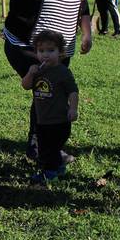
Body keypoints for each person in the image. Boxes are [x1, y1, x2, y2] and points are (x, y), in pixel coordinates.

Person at [3, 0, 90, 163]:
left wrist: (86, 32)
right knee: (46, 92)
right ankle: (43, 147)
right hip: (27, 46)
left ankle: (40, 144)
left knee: (51, 93)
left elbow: (82, 2)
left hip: (59, 50)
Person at [20, 30, 78, 184]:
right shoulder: (37, 71)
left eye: (51, 50)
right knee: (46, 146)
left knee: (49, 149)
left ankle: (49, 173)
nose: (45, 54)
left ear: (60, 52)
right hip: (42, 119)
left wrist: (73, 108)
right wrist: (30, 74)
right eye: (41, 51)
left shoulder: (63, 72)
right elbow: (25, 86)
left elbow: (73, 92)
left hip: (59, 120)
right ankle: (58, 167)